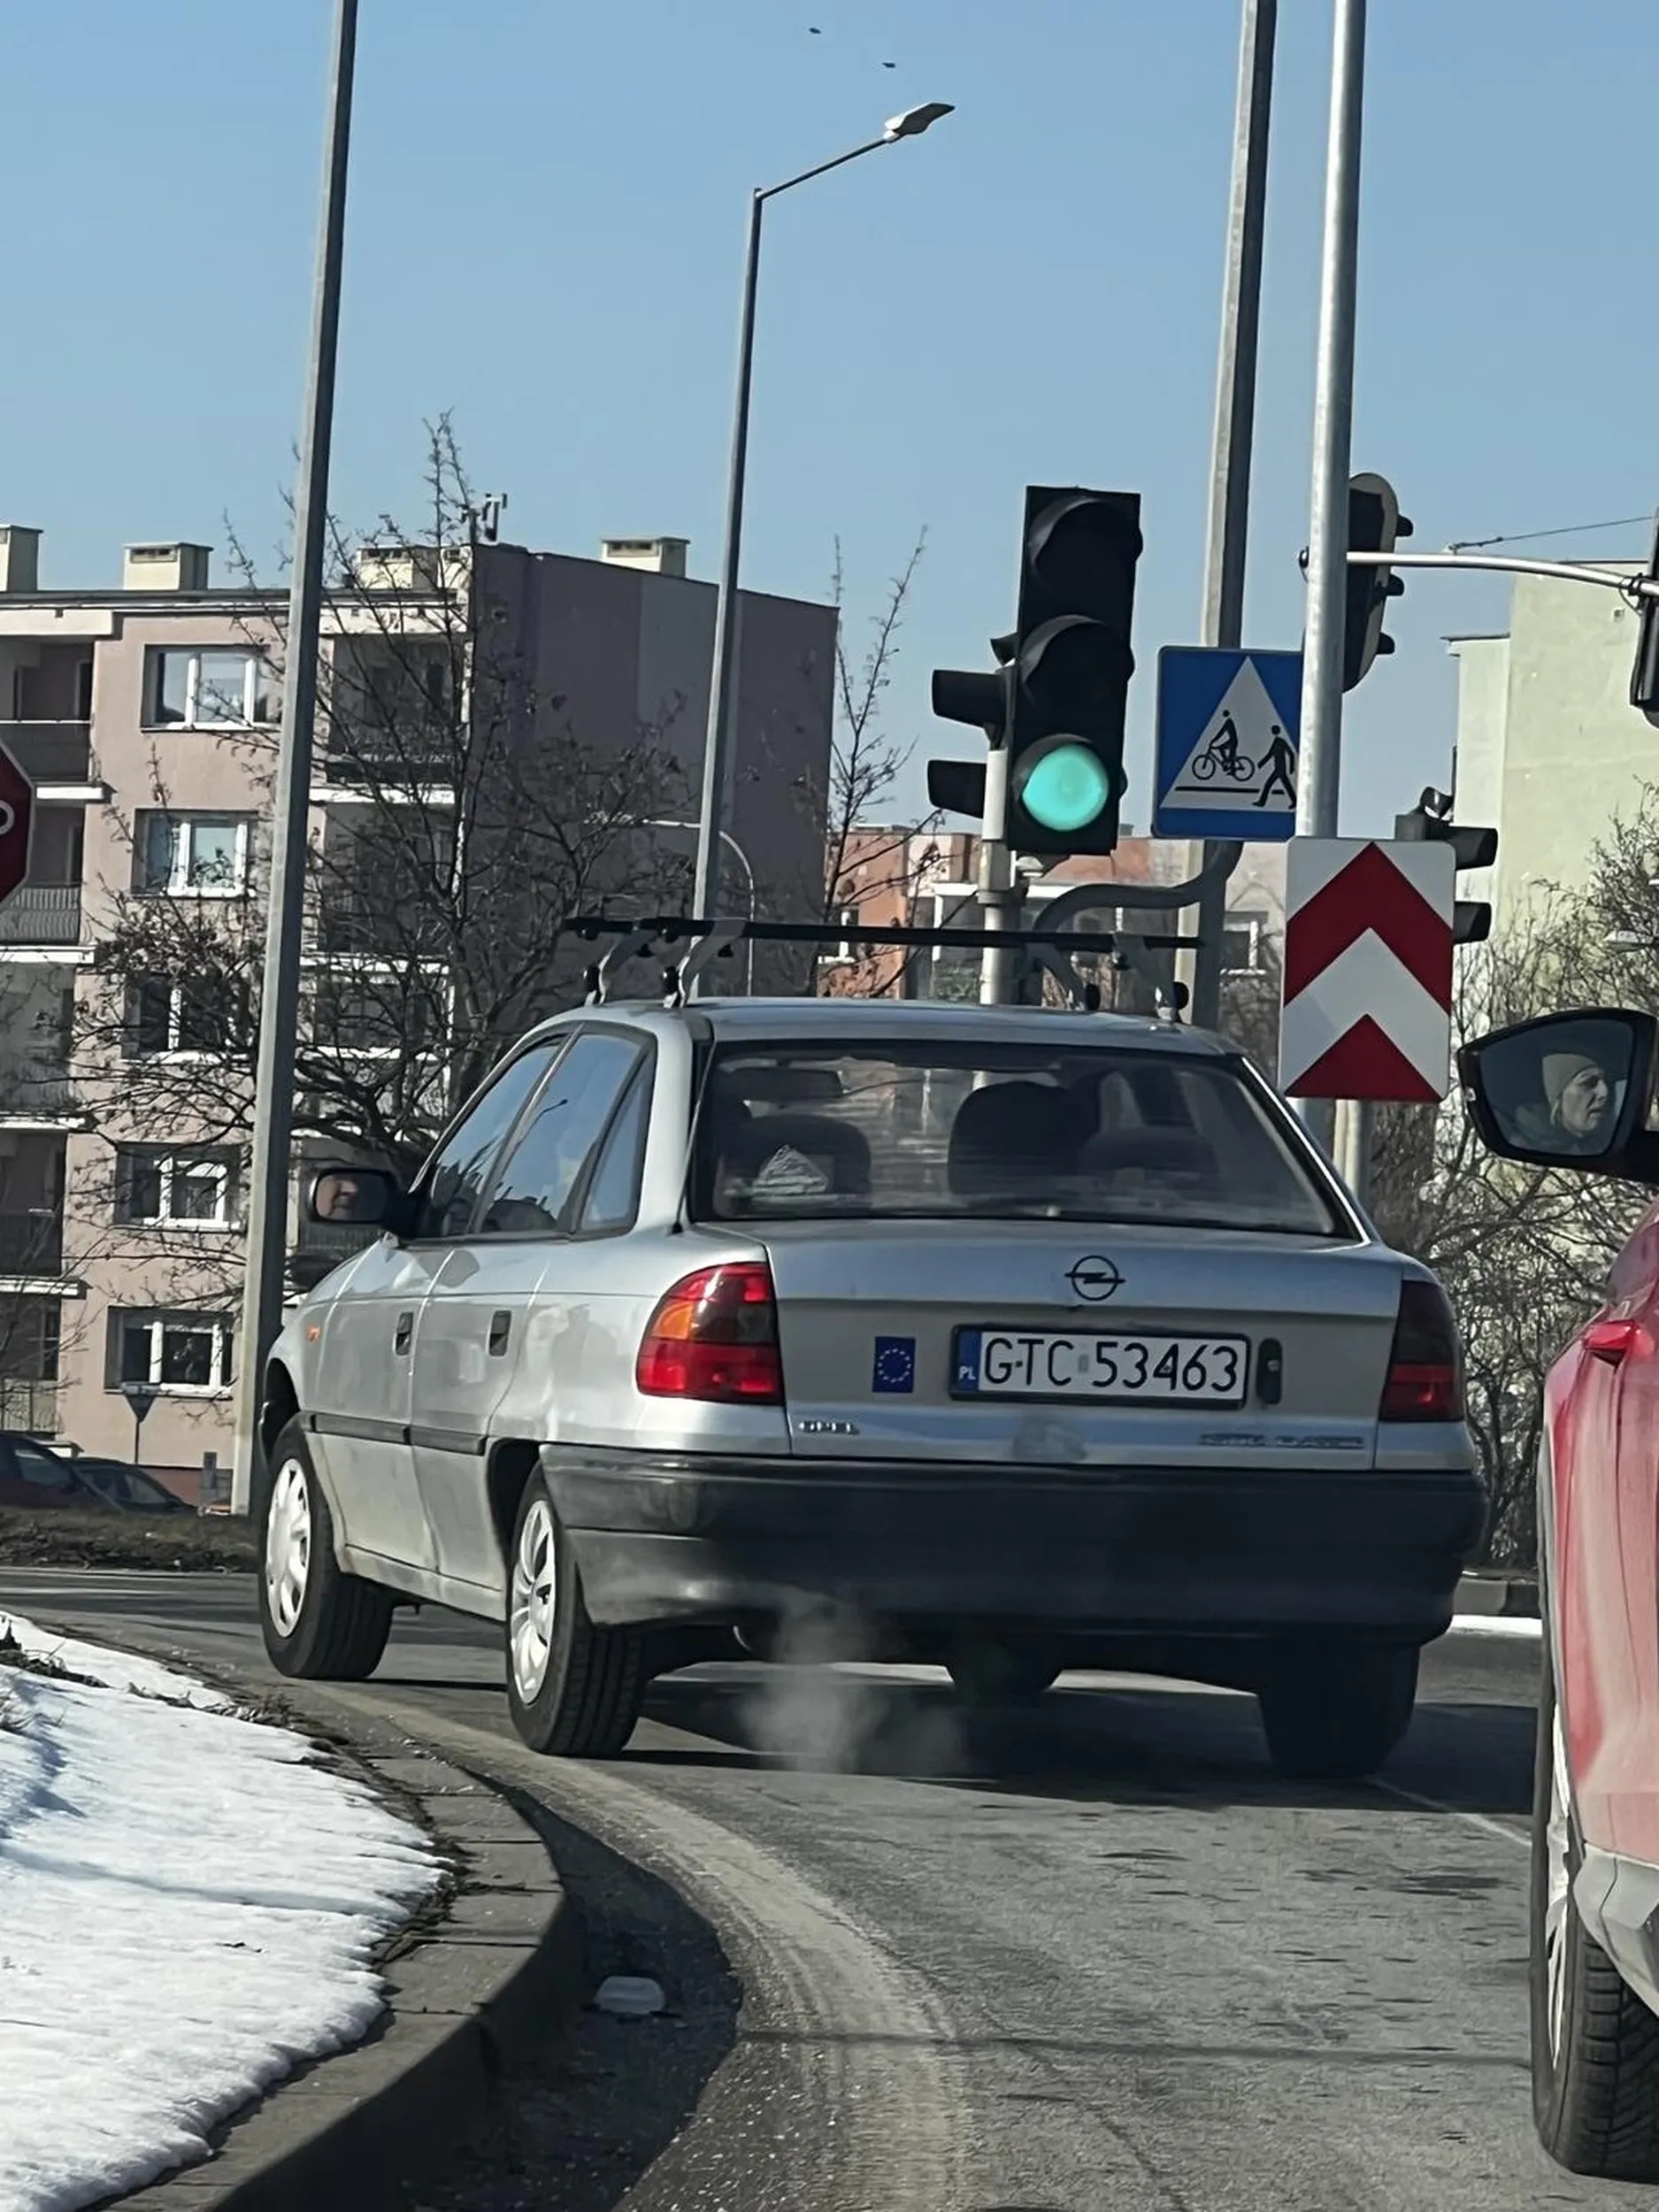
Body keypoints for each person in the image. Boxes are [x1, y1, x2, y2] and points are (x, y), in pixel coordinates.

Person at [1513, 1048, 1616, 1155]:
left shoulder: (1605, 1143)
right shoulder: (1524, 1148)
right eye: (1589, 1083)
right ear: (1558, 1097)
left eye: (1606, 1083)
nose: (1604, 1092)